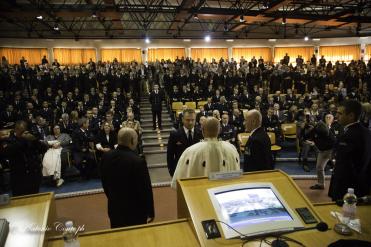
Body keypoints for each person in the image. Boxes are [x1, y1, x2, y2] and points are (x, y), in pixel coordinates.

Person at [100, 128, 154, 228]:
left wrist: (112, 197)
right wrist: (150, 212)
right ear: (133, 141)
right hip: (135, 211)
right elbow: (145, 189)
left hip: (114, 207)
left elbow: (104, 183)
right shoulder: (138, 161)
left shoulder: (106, 157)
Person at [171, 117, 240, 188]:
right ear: (220, 130)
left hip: (201, 195)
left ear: (202, 130)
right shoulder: (231, 148)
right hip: (226, 192)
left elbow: (178, 183)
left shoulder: (190, 151)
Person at [328, 100, 371, 201]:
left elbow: (343, 166)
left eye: (340, 113)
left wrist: (336, 189)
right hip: (363, 185)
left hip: (347, 188)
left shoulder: (348, 136)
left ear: (351, 115)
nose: (336, 116)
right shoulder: (367, 132)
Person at [0, 121, 45, 196]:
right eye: (21, 132)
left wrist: (35, 140)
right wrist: (23, 140)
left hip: (33, 176)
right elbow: (7, 151)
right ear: (16, 130)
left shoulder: (30, 138)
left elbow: (43, 149)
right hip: (19, 178)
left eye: (25, 131)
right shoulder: (8, 140)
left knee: (35, 199)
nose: (24, 134)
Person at [167, 109, 202, 176]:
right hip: (180, 170)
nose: (190, 122)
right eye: (188, 120)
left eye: (192, 120)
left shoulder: (201, 133)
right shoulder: (175, 134)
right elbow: (170, 155)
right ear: (182, 119)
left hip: (197, 170)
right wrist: (172, 171)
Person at [309, 114, 336, 190]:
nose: (328, 118)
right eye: (326, 117)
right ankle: (321, 184)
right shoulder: (319, 127)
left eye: (330, 117)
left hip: (332, 150)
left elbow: (336, 140)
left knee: (338, 168)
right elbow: (313, 136)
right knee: (319, 167)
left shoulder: (336, 127)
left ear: (333, 119)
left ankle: (340, 185)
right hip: (322, 151)